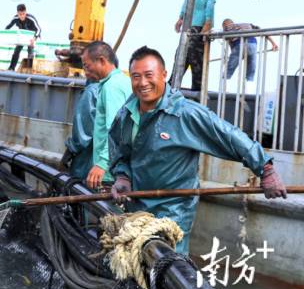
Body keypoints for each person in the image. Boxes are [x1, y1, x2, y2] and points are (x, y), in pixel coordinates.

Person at [109, 46, 287, 255]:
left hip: (172, 211)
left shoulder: (186, 113)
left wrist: (265, 168)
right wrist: (122, 176)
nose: (142, 83)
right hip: (136, 205)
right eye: (136, 77)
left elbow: (229, 135)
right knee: (134, 265)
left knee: (169, 270)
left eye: (149, 75)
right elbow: (119, 148)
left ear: (164, 75)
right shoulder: (127, 112)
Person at [83, 41, 132, 188]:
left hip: (110, 173)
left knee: (107, 211)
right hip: (119, 169)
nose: (85, 71)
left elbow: (116, 129)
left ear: (101, 61)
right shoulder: (122, 80)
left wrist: (103, 163)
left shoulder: (111, 87)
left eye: (86, 65)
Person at [172, 0, 217, 91]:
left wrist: (208, 22)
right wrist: (180, 16)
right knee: (179, 58)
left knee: (196, 63)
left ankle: (197, 101)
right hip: (188, 24)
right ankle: (170, 91)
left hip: (199, 25)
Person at [61, 75, 99, 179]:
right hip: (110, 166)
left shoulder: (91, 91)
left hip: (88, 163)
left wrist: (70, 151)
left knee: (80, 189)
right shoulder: (123, 84)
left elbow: (83, 134)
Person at [5, 4, 41, 71]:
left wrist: (34, 38)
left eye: (23, 14)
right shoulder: (15, 18)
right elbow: (8, 27)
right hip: (22, 36)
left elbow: (39, 29)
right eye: (20, 14)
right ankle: (11, 68)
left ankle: (29, 69)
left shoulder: (31, 18)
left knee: (30, 52)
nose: (22, 16)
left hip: (31, 37)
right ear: (17, 13)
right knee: (16, 51)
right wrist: (6, 35)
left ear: (25, 12)